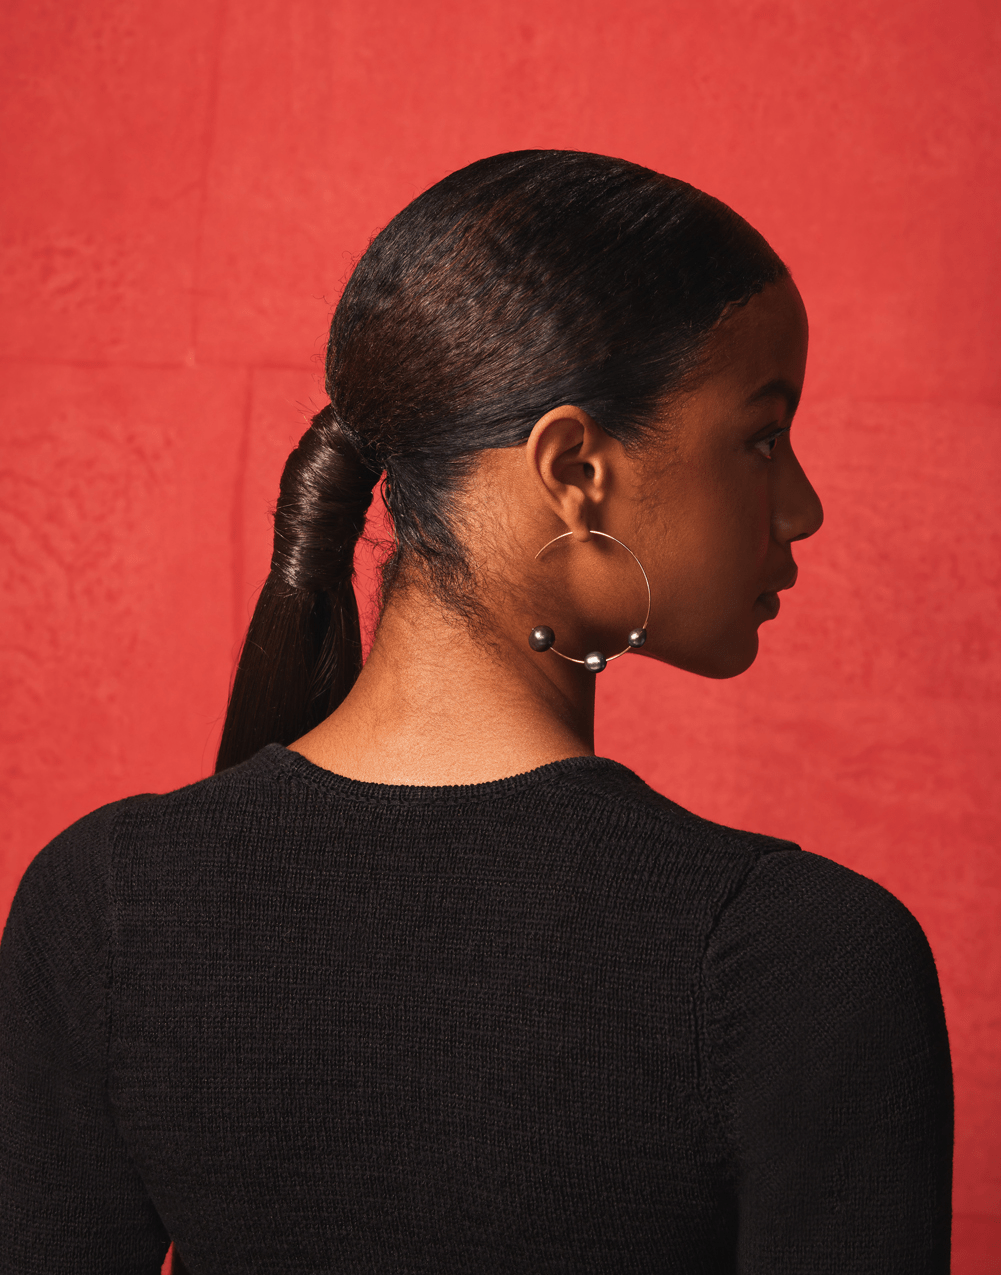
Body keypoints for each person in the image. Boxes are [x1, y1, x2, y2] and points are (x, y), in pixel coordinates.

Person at [0, 150, 952, 1273]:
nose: (803, 505)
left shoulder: (104, 902)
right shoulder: (802, 958)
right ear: (575, 468)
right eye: (761, 435)